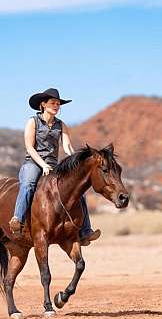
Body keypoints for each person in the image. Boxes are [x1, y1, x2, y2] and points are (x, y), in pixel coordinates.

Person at [9, 88, 101, 246]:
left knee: (79, 192)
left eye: (58, 104)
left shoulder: (61, 125)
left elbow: (67, 146)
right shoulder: (33, 122)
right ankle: (18, 219)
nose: (56, 106)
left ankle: (85, 231)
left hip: (53, 166)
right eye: (53, 103)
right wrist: (42, 164)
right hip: (33, 162)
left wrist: (76, 162)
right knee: (29, 183)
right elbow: (29, 147)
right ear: (43, 104)